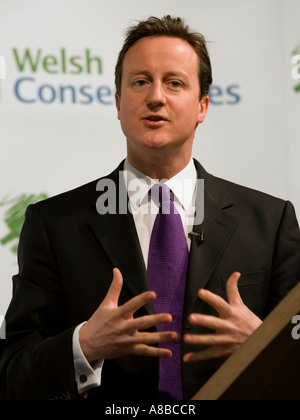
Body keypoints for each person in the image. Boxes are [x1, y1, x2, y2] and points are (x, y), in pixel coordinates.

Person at [0, 15, 300, 401]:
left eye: (174, 83)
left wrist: (262, 345)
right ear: (118, 103)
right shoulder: (55, 224)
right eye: (140, 82)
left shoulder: (270, 222)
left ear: (202, 106)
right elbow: (12, 373)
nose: (156, 96)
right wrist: (84, 345)